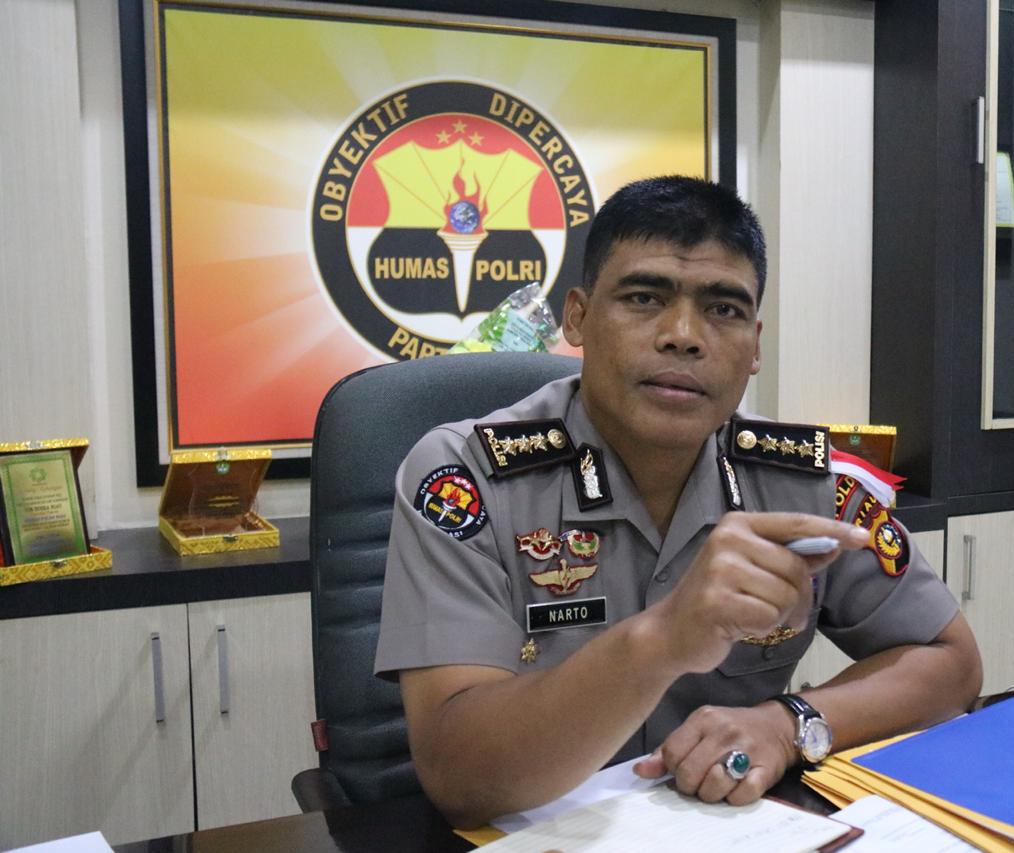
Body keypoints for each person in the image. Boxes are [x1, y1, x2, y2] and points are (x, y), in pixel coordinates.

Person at [374, 176, 982, 828]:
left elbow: (952, 663)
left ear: (755, 344)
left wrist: (788, 723)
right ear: (577, 316)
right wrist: (662, 639)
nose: (684, 335)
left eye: (723, 309)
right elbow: (458, 775)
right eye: (644, 298)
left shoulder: (802, 481)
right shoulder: (466, 478)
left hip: (732, 824)